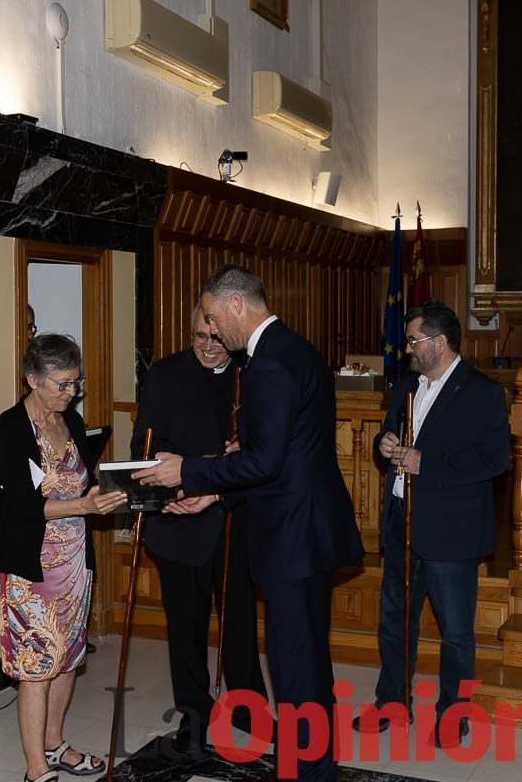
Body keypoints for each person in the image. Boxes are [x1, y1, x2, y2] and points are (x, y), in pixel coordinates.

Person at [133, 264, 365, 782]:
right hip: (307, 531)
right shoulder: (295, 347)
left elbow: (265, 463)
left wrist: (187, 471)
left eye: (214, 318)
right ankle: (313, 766)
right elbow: (277, 451)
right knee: (308, 664)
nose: (214, 331)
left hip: (291, 537)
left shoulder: (266, 364)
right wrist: (216, 487)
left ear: (237, 304)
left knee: (296, 668)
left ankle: (309, 772)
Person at [358, 301, 508, 748]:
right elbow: (388, 445)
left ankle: (451, 714)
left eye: (413, 340)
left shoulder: (482, 392)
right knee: (394, 623)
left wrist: (429, 464)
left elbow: (494, 460)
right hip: (401, 523)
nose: (407, 349)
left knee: (455, 632)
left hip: (450, 529)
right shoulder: (407, 386)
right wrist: (384, 447)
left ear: (439, 343)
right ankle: (392, 703)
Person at [130, 305, 269, 756]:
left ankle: (250, 709)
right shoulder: (166, 374)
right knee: (185, 630)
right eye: (198, 337)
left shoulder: (254, 375)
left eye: (216, 338)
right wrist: (176, 488)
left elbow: (266, 450)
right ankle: (193, 713)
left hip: (233, 520)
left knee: (240, 627)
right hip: (177, 518)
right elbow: (144, 448)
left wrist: (238, 454)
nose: (208, 347)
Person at [0, 334, 127, 782]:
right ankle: (36, 770)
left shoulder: (72, 419)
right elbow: (21, 507)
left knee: (67, 659)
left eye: (76, 383)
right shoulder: (11, 428)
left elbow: (81, 479)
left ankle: (54, 744)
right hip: (32, 567)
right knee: (36, 667)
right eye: (63, 384)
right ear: (33, 379)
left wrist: (105, 495)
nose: (72, 393)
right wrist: (83, 507)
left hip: (74, 564)